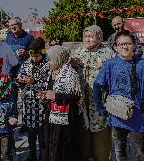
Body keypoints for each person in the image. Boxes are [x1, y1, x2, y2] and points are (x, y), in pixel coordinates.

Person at [93, 30, 144, 161]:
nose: (125, 47)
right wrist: (100, 107)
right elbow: (97, 86)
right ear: (115, 47)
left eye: (128, 43)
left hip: (138, 116)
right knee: (120, 152)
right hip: (117, 115)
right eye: (121, 44)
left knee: (141, 152)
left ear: (134, 45)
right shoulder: (109, 65)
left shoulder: (142, 64)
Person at [71, 25, 114, 161]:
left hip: (101, 101)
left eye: (91, 36)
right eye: (86, 37)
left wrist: (107, 66)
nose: (87, 39)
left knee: (100, 131)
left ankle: (102, 157)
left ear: (100, 37)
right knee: (83, 131)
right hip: (82, 100)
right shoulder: (78, 52)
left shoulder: (109, 53)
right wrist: (71, 63)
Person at [40, 45, 82, 161]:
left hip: (66, 121)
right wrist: (46, 96)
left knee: (64, 148)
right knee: (52, 145)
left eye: (51, 59)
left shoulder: (71, 74)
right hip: (52, 117)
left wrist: (56, 96)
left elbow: (76, 97)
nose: (49, 63)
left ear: (59, 59)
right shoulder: (51, 73)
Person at [16, 38, 51, 161]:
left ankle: (42, 156)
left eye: (37, 56)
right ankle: (32, 154)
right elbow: (19, 78)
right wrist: (20, 82)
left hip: (42, 104)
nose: (34, 58)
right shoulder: (26, 63)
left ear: (43, 53)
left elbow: (49, 84)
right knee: (31, 132)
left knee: (42, 132)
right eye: (32, 55)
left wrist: (34, 81)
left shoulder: (48, 64)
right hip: (29, 105)